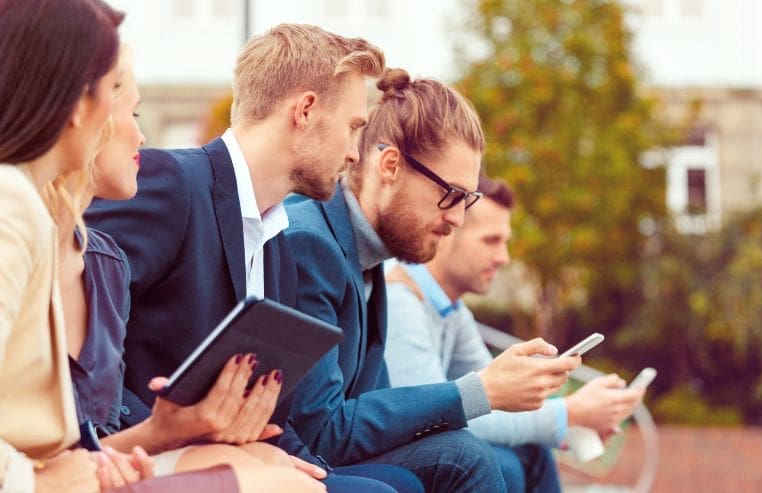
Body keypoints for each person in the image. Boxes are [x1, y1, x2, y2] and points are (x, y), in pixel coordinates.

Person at [86, 24, 420, 492]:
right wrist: (176, 439)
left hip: (230, 458)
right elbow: (87, 335)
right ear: (305, 110)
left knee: (395, 484)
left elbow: (271, 409)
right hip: (136, 456)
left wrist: (303, 466)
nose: (353, 152)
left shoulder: (278, 246)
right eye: (353, 128)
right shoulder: (172, 183)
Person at [283, 68, 581, 492]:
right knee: (464, 458)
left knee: (466, 454)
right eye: (451, 195)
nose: (457, 219)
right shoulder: (311, 245)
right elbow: (324, 430)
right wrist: (479, 391)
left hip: (330, 450)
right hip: (296, 458)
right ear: (390, 166)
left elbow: (371, 405)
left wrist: (489, 389)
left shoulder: (367, 256)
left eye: (467, 200)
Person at [56, 49, 323, 492]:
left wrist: (176, 431)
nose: (142, 137)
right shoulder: (171, 187)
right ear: (82, 117)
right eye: (133, 112)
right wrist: (174, 437)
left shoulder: (106, 262)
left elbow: (96, 440)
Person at [383, 175, 647, 492]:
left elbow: (495, 402)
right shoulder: (400, 300)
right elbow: (432, 419)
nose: (504, 258)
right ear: (447, 232)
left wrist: (573, 416)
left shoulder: (452, 312)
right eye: (491, 240)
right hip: (382, 450)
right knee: (504, 464)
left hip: (419, 447)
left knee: (530, 452)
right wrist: (569, 414)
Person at [0, 0, 126, 491]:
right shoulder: (11, 202)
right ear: (77, 103)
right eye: (113, 91)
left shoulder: (22, 199)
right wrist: (39, 482)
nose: (114, 118)